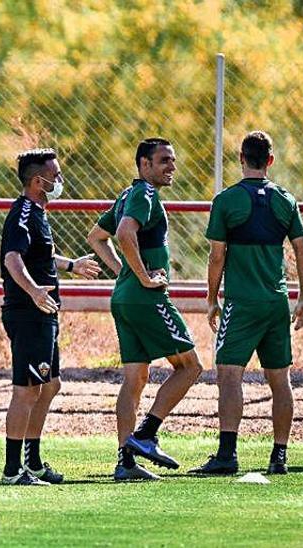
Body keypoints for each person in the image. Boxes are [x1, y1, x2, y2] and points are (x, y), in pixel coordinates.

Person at [190, 131, 303, 476]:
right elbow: (302, 251)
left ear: (241, 158)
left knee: (229, 374)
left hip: (241, 303)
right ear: (270, 161)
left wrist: (212, 299)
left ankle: (227, 455)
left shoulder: (226, 200)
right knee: (280, 379)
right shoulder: (286, 199)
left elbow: (217, 256)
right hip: (276, 301)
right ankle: (279, 456)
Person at [86, 137, 203, 481]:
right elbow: (123, 233)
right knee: (190, 367)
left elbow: (95, 237)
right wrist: (144, 277)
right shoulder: (145, 195)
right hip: (145, 297)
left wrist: (124, 271)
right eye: (164, 160)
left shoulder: (127, 194)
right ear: (144, 165)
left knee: (135, 378)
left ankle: (125, 462)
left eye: (173, 160)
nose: (171, 166)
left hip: (123, 297)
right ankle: (146, 434)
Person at [0, 148, 101, 486]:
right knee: (27, 389)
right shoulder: (23, 213)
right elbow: (13, 258)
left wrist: (72, 266)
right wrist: (34, 291)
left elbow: (40, 254)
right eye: (54, 175)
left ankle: (34, 461)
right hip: (29, 312)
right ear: (36, 181)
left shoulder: (39, 213)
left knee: (50, 385)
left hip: (45, 312)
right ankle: (13, 470)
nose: (59, 180)